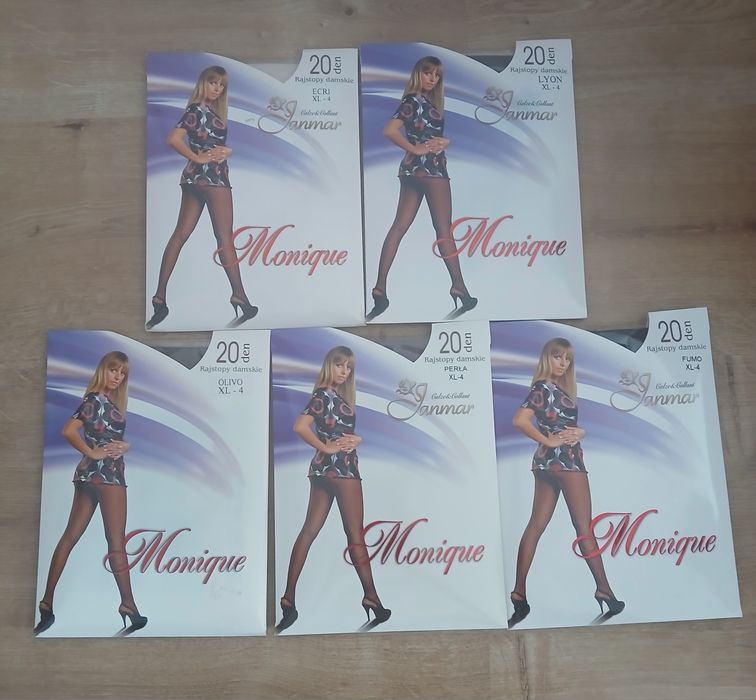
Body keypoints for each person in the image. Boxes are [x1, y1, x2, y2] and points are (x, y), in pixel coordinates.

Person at [509, 338, 624, 626]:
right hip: (567, 462)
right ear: (546, 358)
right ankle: (604, 590)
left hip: (546, 463)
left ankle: (519, 594)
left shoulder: (553, 389)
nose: (563, 363)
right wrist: (549, 440)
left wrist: (579, 432)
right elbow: (520, 420)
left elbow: (561, 424)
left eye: (567, 359)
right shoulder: (542, 388)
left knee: (535, 526)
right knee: (584, 527)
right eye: (557, 356)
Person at [276, 346, 390, 632]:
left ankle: (288, 599)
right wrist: (327, 447)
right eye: (340, 365)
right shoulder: (323, 395)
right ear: (329, 365)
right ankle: (372, 597)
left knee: (309, 531)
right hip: (342, 470)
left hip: (322, 471)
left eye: (349, 367)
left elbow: (338, 430)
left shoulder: (333, 397)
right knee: (355, 535)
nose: (344, 371)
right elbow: (300, 426)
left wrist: (356, 439)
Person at [34, 351, 147, 635]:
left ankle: (47, 603)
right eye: (113, 370)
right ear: (103, 369)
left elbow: (110, 437)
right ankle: (128, 605)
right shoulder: (95, 399)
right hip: (108, 477)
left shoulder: (100, 400)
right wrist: (93, 453)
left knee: (70, 536)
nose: (117, 377)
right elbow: (68, 431)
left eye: (122, 373)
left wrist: (124, 446)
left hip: (88, 476)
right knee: (116, 542)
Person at [146, 65, 257, 329]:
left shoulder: (205, 111)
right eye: (212, 82)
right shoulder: (196, 110)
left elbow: (209, 142)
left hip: (193, 180)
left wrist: (226, 151)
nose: (217, 88)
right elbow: (174, 139)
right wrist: (198, 157)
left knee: (180, 235)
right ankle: (239, 295)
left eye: (221, 85)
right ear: (202, 83)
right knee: (225, 238)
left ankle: (160, 297)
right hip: (213, 179)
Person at [367, 56, 476, 321]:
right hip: (431, 170)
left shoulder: (421, 102)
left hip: (411, 171)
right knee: (444, 230)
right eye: (428, 73)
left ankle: (380, 288)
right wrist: (416, 149)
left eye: (437, 75)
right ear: (418, 73)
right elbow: (390, 130)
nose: (432, 79)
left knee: (398, 227)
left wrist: (443, 142)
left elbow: (426, 133)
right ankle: (459, 286)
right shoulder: (413, 101)